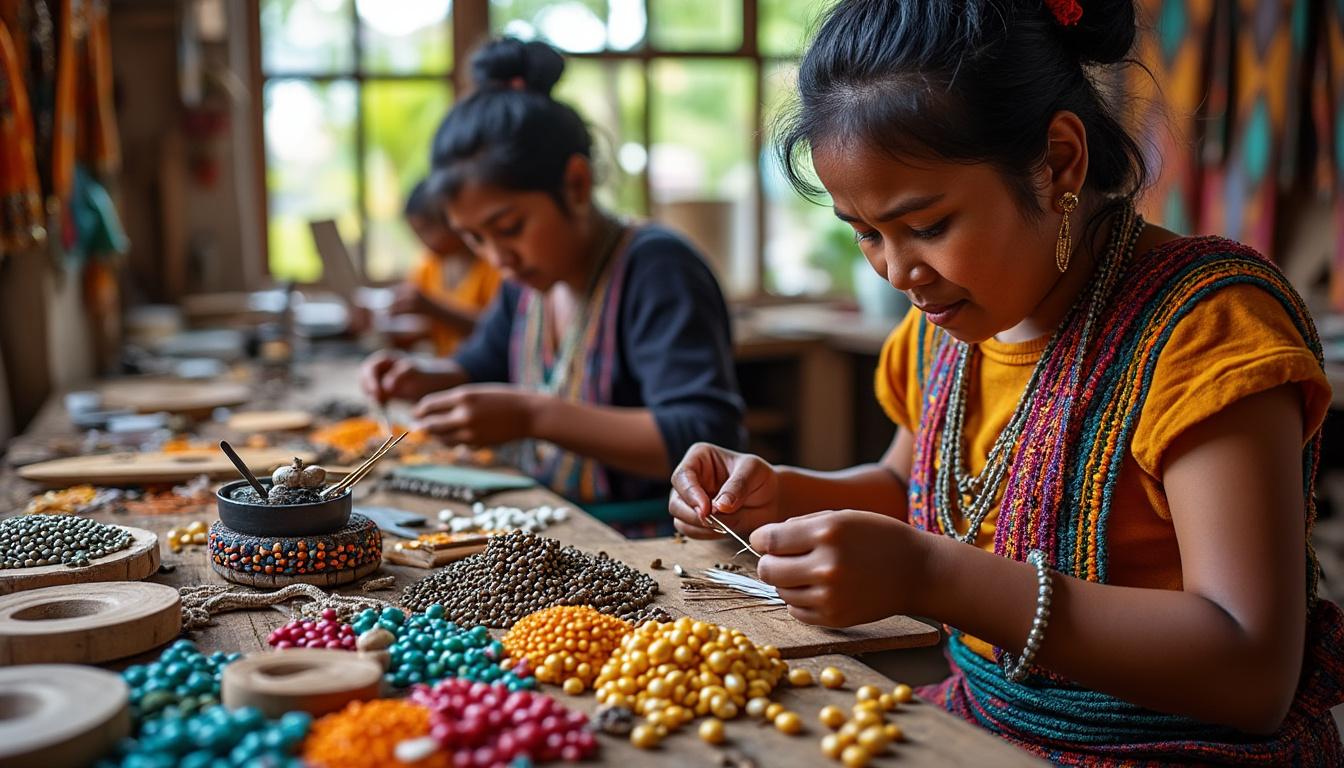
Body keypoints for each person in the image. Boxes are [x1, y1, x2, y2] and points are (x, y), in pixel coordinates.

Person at [668, 0, 1344, 762]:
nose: (898, 272)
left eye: (927, 226)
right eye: (865, 233)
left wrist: (928, 575)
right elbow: (911, 491)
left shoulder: (1204, 335)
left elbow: (1252, 671)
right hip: (981, 728)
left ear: (1059, 162)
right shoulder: (944, 334)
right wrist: (779, 495)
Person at [362, 38, 745, 535]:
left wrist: (532, 416)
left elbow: (703, 435)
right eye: (475, 239)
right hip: (555, 521)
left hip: (651, 541)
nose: (498, 258)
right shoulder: (527, 283)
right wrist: (421, 377)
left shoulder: (658, 268)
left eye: (509, 227)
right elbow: (480, 363)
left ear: (577, 185)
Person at [392, 179, 501, 356]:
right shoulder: (428, 266)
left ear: (452, 221)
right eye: (416, 234)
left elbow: (500, 330)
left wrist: (433, 309)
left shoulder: (494, 266)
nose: (422, 242)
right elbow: (420, 331)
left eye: (427, 230)